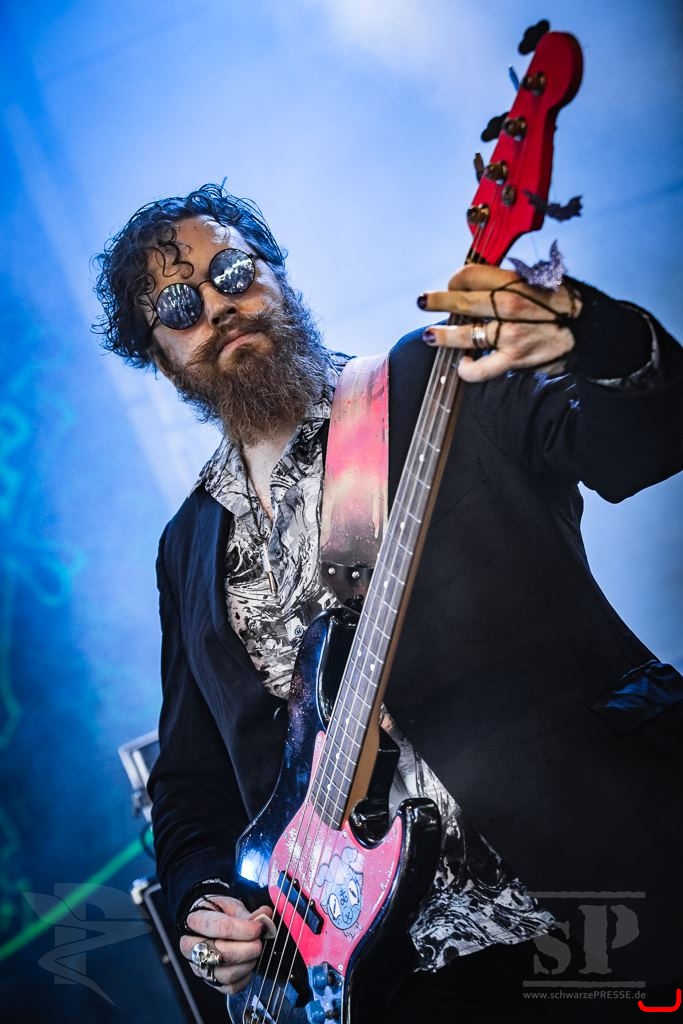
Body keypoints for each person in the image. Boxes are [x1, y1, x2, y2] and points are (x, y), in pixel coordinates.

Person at [94, 183, 683, 1022]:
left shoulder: (426, 381)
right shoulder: (187, 544)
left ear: (278, 277)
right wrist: (204, 904)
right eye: (179, 306)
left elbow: (642, 446)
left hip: (589, 890)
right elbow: (192, 781)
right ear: (159, 358)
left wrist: (598, 334)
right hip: (387, 975)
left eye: (232, 271)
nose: (218, 306)